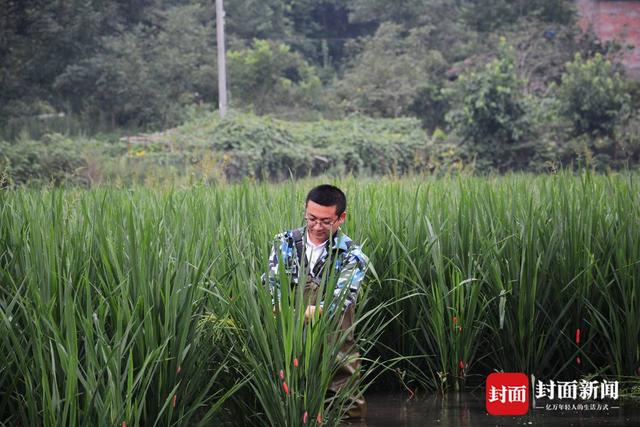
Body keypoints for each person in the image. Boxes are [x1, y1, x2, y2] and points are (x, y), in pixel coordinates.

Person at [264, 184, 369, 418]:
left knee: (347, 407)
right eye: (312, 219)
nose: (317, 227)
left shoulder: (352, 255)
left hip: (335, 345)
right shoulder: (285, 243)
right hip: (291, 341)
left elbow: (341, 299)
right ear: (305, 211)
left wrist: (309, 311)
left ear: (341, 218)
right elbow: (272, 286)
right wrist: (280, 307)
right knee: (292, 402)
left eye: (325, 221)